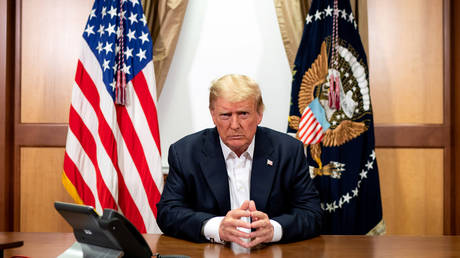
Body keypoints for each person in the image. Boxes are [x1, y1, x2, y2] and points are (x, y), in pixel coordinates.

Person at [156, 74, 322, 248]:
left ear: (259, 114)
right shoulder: (186, 153)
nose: (234, 125)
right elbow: (168, 213)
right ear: (213, 115)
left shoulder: (288, 151)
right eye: (226, 115)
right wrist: (215, 227)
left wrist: (273, 229)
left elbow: (312, 214)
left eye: (243, 114)